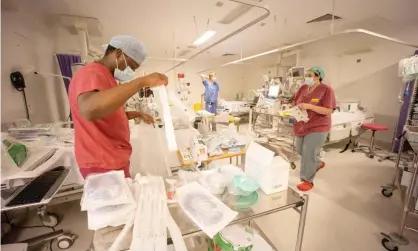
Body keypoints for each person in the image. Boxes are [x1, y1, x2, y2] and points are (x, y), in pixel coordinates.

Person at [68, 35, 168, 179]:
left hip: (112, 158)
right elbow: (89, 110)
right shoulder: (91, 73)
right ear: (119, 53)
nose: (131, 72)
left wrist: (137, 114)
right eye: (132, 66)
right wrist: (141, 82)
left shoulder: (107, 77)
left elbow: (107, 113)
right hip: (102, 161)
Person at [291, 67, 336, 191]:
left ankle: (307, 180)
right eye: (306, 75)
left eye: (309, 75)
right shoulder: (303, 88)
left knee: (308, 152)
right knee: (300, 149)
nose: (307, 77)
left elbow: (328, 110)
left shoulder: (326, 90)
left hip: (318, 126)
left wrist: (309, 106)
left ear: (318, 76)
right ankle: (317, 163)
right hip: (302, 124)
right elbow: (294, 100)